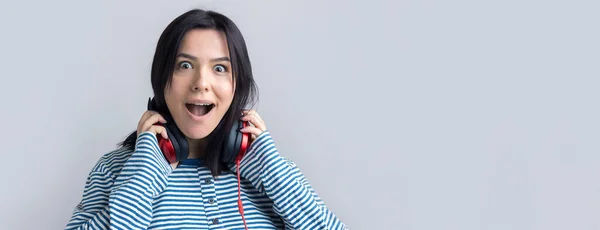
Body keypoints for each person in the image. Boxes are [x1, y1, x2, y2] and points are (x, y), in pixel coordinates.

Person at [65, 8, 347, 230]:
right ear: (162, 78)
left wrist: (270, 171)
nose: (201, 82)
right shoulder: (115, 170)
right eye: (184, 65)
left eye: (220, 68)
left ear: (238, 84)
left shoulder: (273, 171)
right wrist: (144, 176)